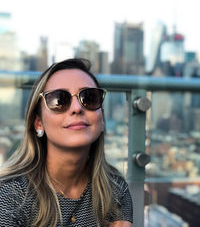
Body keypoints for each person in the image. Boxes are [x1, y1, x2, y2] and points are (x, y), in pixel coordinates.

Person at [0, 58, 133, 227]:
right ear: (38, 123)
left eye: (89, 97)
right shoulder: (10, 196)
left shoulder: (114, 189)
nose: (77, 108)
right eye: (59, 100)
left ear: (101, 118)